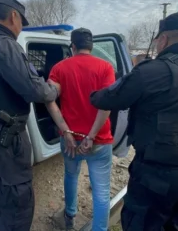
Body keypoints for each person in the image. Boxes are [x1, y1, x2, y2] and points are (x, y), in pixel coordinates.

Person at [90, 11, 178, 231]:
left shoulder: (151, 72)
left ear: (164, 39)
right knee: (177, 225)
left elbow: (105, 99)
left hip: (156, 179)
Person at [0, 0, 59, 231]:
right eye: (21, 23)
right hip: (5, 142)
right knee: (17, 207)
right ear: (13, 16)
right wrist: (54, 89)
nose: (20, 28)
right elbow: (36, 91)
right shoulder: (3, 45)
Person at [46, 28, 115, 231]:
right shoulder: (106, 67)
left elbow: (49, 100)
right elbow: (106, 105)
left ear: (73, 46)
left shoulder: (59, 68)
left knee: (71, 175)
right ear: (91, 47)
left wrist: (66, 132)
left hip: (71, 140)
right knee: (101, 192)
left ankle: (70, 216)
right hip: (99, 140)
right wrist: (91, 136)